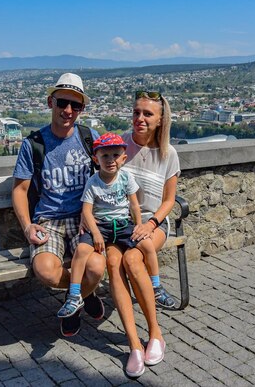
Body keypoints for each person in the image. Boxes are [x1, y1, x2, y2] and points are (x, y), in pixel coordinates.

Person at [12, 72, 105, 337]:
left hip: (82, 217)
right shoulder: (34, 144)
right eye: (62, 103)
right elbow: (20, 189)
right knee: (46, 272)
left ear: (82, 109)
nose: (68, 110)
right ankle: (82, 295)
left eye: (75, 106)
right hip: (48, 220)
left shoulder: (89, 137)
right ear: (50, 102)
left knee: (97, 267)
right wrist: (28, 225)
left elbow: (108, 173)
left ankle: (72, 301)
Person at [106, 91, 180, 377]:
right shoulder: (119, 144)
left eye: (147, 114)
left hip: (153, 224)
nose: (140, 119)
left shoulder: (168, 153)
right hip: (118, 225)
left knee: (133, 262)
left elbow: (169, 200)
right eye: (136, 112)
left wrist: (150, 225)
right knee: (114, 263)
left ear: (161, 119)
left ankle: (155, 334)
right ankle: (134, 344)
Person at [57, 133, 168, 322]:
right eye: (105, 156)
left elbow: (133, 204)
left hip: (124, 224)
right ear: (96, 159)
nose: (110, 160)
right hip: (101, 226)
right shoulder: (93, 182)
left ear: (123, 158)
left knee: (147, 245)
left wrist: (139, 224)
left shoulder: (125, 178)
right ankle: (75, 295)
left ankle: (156, 286)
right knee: (82, 250)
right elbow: (87, 211)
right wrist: (96, 233)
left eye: (115, 155)